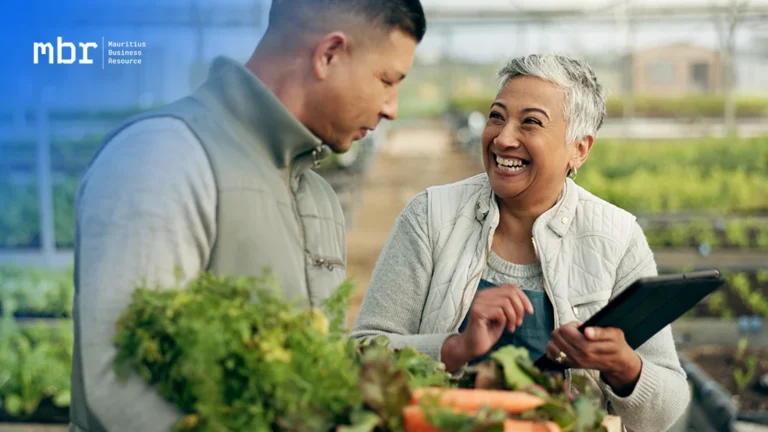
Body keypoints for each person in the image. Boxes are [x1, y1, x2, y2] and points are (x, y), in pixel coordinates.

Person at [69, 1, 426, 431]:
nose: (392, 108)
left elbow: (313, 372)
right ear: (328, 54)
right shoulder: (164, 155)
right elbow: (119, 384)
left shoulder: (318, 196)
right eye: (387, 81)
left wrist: (451, 349)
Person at [351, 54, 689, 431]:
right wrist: (455, 348)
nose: (503, 138)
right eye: (497, 116)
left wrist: (625, 367)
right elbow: (362, 352)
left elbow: (669, 406)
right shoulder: (431, 217)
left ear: (579, 149)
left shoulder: (617, 238)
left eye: (530, 122)